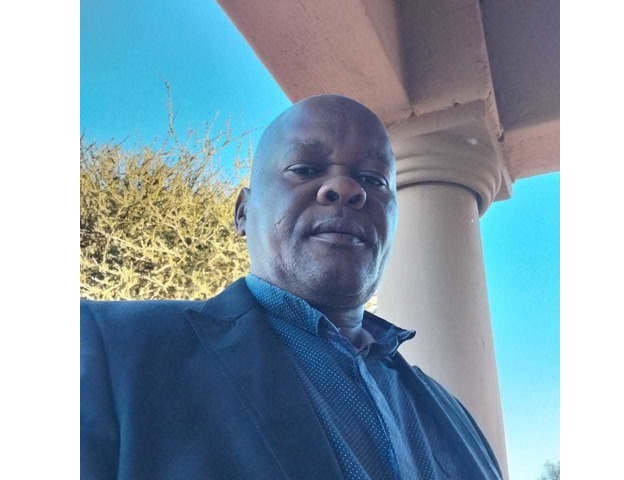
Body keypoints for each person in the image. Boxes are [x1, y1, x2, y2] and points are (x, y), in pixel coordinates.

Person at [81, 94, 503, 479]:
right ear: (243, 213)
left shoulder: (456, 419)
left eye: (374, 179)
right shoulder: (110, 350)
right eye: (305, 170)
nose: (346, 188)